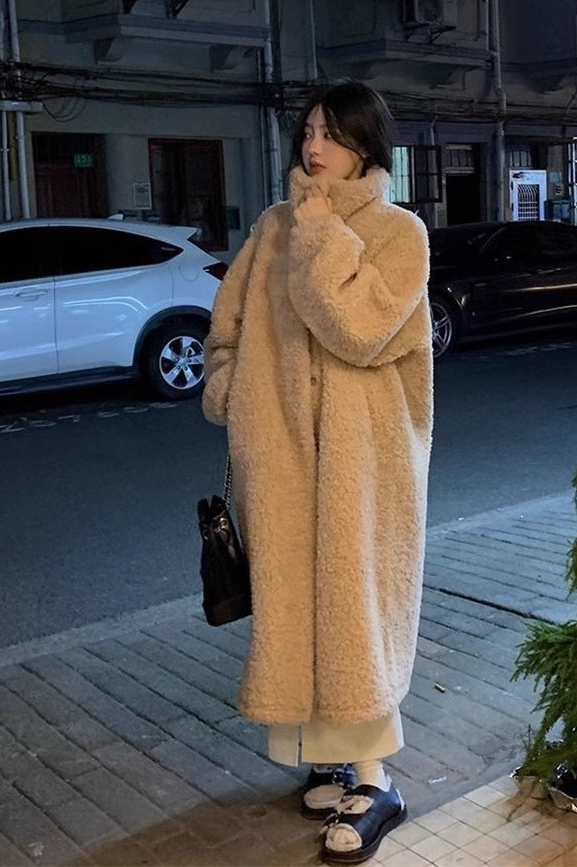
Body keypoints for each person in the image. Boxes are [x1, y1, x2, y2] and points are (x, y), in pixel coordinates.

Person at [202, 81, 433, 864]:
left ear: (366, 144)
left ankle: (377, 779)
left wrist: (321, 232)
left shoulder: (398, 233)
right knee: (296, 603)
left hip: (364, 464)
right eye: (307, 130)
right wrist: (231, 389)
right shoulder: (273, 226)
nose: (313, 145)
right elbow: (228, 323)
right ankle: (331, 761)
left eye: (331, 133)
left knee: (354, 608)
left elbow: (358, 331)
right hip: (278, 457)